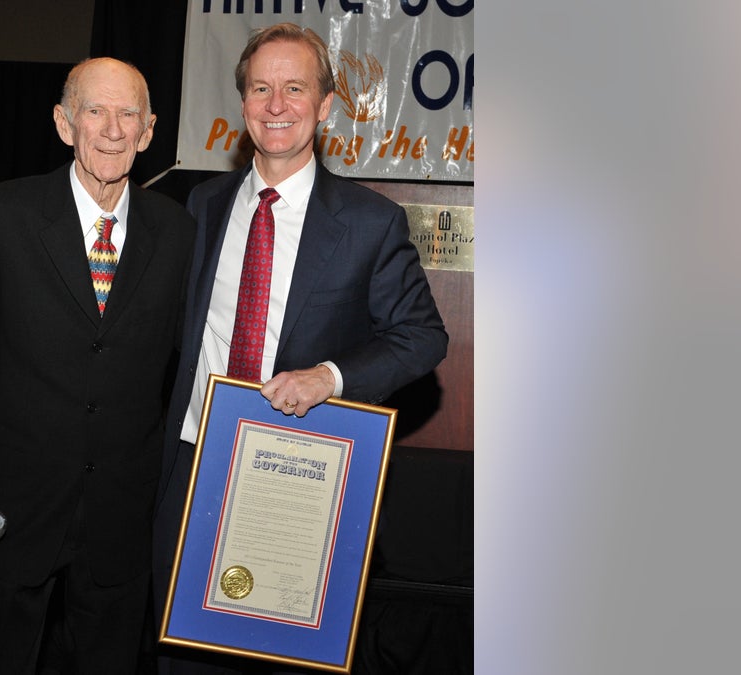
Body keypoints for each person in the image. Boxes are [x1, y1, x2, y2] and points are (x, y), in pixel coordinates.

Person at [151, 23, 449, 673]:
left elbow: (424, 335)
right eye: (261, 88)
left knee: (280, 658)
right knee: (181, 653)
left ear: (325, 105)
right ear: (243, 103)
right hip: (192, 461)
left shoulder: (371, 222)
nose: (276, 104)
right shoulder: (201, 204)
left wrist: (331, 376)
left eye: (294, 88)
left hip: (294, 471)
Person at [0, 57, 195, 675]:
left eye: (128, 114)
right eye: (94, 110)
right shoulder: (1, 215)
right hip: (8, 507)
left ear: (149, 131)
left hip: (123, 515)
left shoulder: (177, 232)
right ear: (62, 122)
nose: (112, 129)